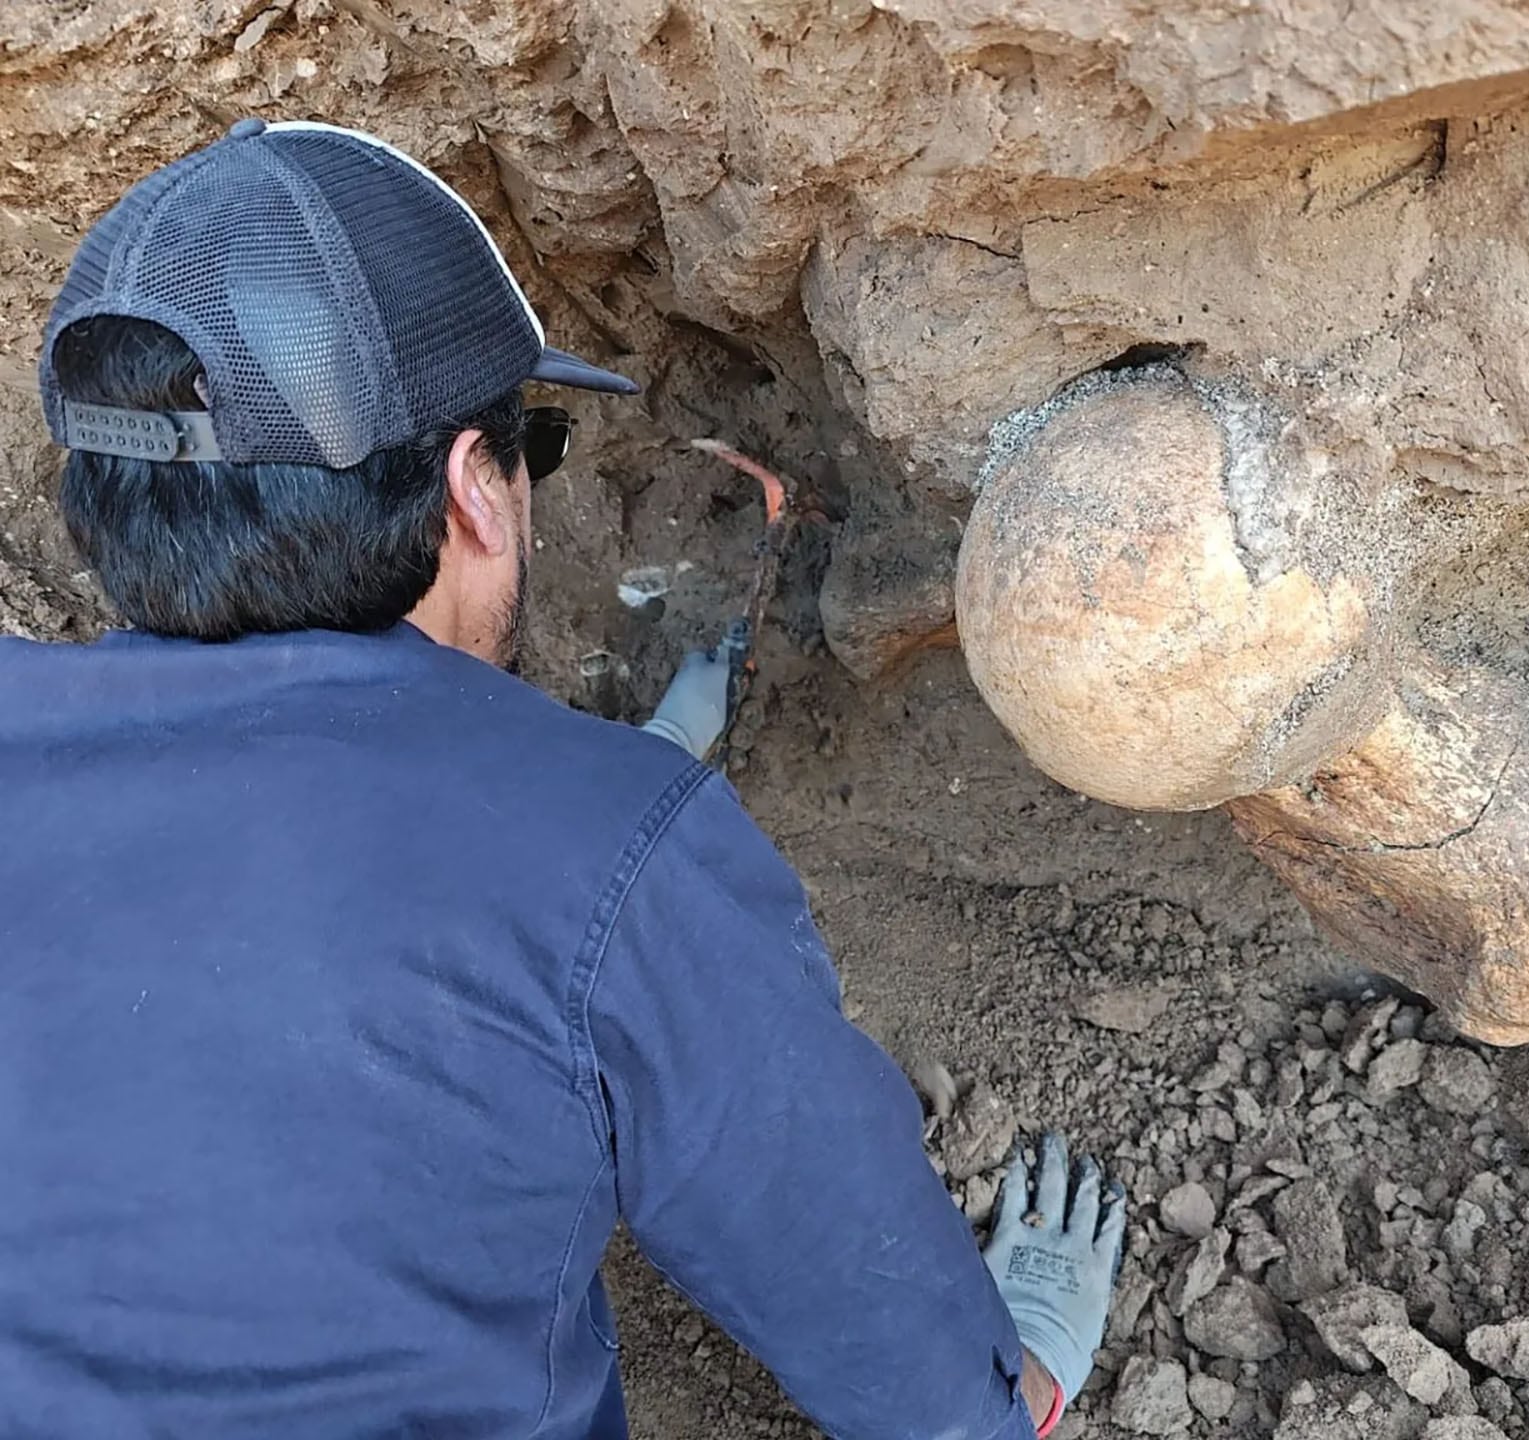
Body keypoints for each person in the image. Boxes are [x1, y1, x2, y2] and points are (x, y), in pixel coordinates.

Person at [0, 119, 1124, 1439]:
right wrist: (1021, 1371)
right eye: (531, 446)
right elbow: (926, 1391)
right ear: (477, 490)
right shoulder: (615, 865)